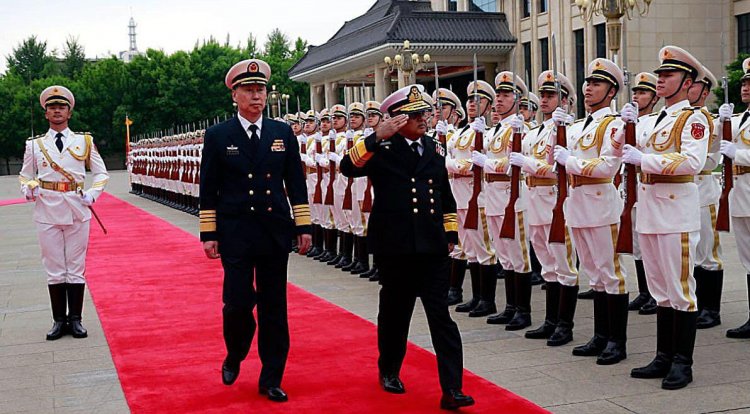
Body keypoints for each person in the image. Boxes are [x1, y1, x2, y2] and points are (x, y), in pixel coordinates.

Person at [340, 84, 474, 410]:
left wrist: (450, 234)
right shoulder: (381, 148)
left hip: (431, 248)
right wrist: (375, 136)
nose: (423, 119)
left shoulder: (434, 149)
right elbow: (347, 167)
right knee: (395, 315)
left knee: (441, 317)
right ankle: (389, 370)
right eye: (415, 115)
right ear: (397, 120)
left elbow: (445, 195)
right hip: (396, 248)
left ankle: (452, 388)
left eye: (424, 113)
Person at [199, 59, 312, 402]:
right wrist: (209, 233)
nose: (256, 96)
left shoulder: (282, 133)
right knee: (236, 303)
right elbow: (208, 186)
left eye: (260, 89)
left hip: (274, 231)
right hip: (235, 232)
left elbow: (295, 181)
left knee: (274, 308)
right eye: (248, 90)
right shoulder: (218, 136)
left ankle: (271, 376)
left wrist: (303, 226)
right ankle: (235, 352)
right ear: (234, 95)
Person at [616, 46, 709, 390]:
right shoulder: (652, 120)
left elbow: (691, 163)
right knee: (660, 291)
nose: (661, 80)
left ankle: (683, 362)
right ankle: (663, 356)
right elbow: (617, 150)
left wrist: (644, 159)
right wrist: (621, 126)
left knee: (680, 289)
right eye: (660, 74)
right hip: (650, 210)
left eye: (669, 75)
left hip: (675, 210)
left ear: (688, 82)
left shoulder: (694, 118)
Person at [553, 58, 629, 366]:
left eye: (596, 84)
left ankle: (617, 341)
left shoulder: (614, 124)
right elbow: (553, 158)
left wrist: (569, 160)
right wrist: (555, 132)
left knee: (611, 274)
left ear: (611, 92)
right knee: (595, 275)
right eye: (587, 83)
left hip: (600, 204)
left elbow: (607, 167)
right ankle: (600, 335)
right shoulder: (576, 126)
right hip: (578, 204)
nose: (588, 88)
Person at [19, 85, 109, 340]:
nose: (56, 111)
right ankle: (59, 321)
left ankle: (76, 320)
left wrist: (94, 193)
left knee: (76, 267)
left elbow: (101, 173)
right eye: (51, 107)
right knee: (55, 267)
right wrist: (29, 188)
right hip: (47, 208)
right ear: (46, 113)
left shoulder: (84, 141)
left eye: (61, 107)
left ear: (69, 112)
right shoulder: (35, 145)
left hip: (78, 208)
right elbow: (25, 175)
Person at [512, 70, 580, 345]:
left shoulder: (567, 130)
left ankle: (565, 324)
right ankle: (551, 320)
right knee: (548, 265)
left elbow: (557, 171)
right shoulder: (535, 131)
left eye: (551, 95)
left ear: (565, 100)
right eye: (542, 94)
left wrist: (527, 164)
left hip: (555, 201)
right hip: (535, 202)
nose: (544, 99)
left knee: (563, 264)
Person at [473, 71, 533, 330]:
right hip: (493, 196)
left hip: (513, 196)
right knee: (505, 255)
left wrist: (488, 162)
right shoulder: (495, 129)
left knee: (519, 256)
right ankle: (510, 306)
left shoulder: (521, 129)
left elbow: (512, 164)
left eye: (505, 95)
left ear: (517, 99)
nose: (499, 99)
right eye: (497, 95)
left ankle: (523, 310)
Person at [687, 66, 724, 329]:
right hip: (685, 191)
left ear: (705, 90)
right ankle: (699, 304)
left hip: (703, 187)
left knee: (707, 252)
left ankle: (711, 309)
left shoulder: (707, 120)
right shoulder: (680, 118)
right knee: (693, 252)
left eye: (694, 84)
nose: (689, 88)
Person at [719, 57, 750, 339]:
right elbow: (719, 145)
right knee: (748, 259)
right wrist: (721, 122)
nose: (745, 87)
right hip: (740, 196)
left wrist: (737, 154)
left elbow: (734, 152)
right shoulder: (739, 119)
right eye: (744, 82)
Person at [627, 72, 661, 315]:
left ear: (654, 97)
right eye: (635, 92)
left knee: (653, 246)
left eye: (643, 92)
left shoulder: (657, 121)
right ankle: (644, 292)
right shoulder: (630, 121)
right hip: (632, 189)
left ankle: (656, 293)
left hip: (651, 187)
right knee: (638, 245)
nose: (638, 96)